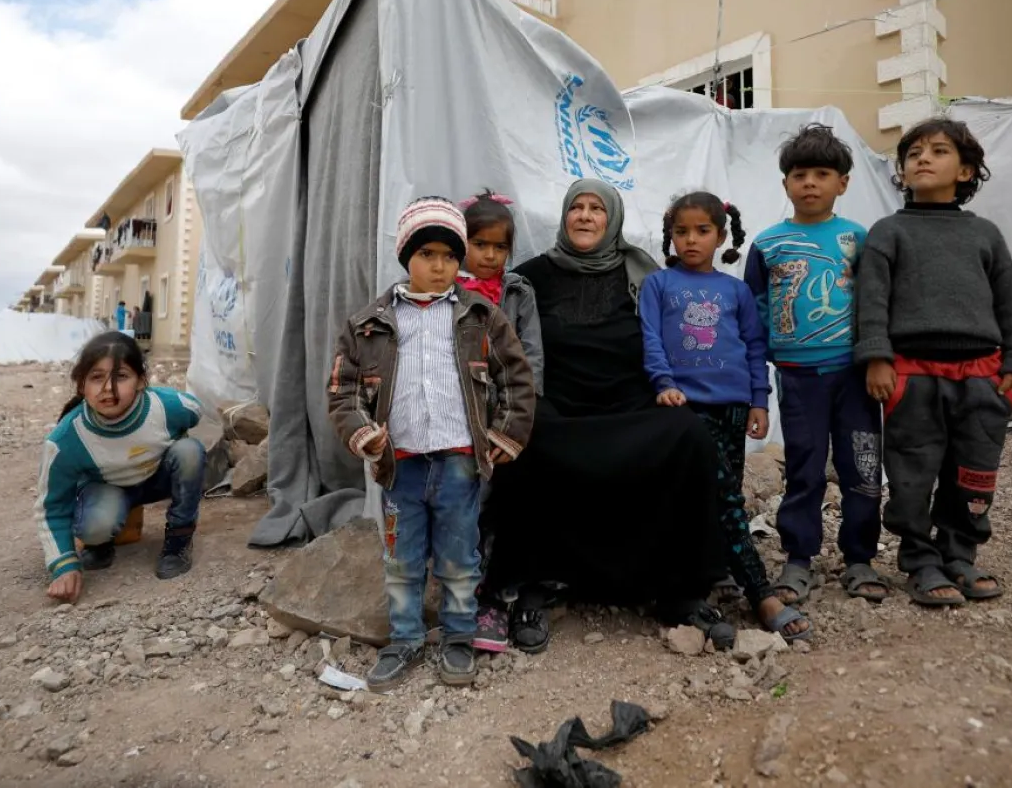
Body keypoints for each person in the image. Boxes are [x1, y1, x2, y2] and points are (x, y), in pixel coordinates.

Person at [486, 178, 761, 654]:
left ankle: (679, 590)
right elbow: (513, 349)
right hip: (559, 405)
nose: (586, 216)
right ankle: (533, 585)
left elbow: (668, 337)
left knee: (687, 435)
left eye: (597, 208)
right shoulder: (532, 277)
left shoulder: (643, 273)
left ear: (612, 218)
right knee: (524, 440)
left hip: (629, 403)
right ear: (565, 216)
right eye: (577, 207)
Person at [326, 197, 536, 690]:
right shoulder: (369, 323)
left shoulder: (482, 317)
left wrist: (505, 434)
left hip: (460, 458)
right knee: (402, 555)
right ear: (407, 259)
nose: (439, 266)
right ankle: (404, 638)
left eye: (448, 255)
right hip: (400, 463)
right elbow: (343, 389)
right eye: (427, 255)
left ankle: (459, 636)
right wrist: (363, 435)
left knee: (460, 555)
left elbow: (517, 380)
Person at [854, 118, 1012, 606]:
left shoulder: (985, 235)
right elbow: (871, 302)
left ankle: (960, 554)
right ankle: (919, 559)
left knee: (974, 472)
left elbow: (1009, 302)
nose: (922, 158)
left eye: (938, 151)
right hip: (911, 375)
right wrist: (877, 358)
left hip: (982, 376)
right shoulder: (887, 232)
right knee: (912, 474)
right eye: (913, 152)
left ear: (966, 171)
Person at [641, 192, 812, 640]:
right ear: (670, 236)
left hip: (735, 406)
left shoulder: (735, 290)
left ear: (721, 235)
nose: (691, 240)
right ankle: (761, 593)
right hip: (686, 408)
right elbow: (652, 339)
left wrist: (759, 399)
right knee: (724, 498)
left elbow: (755, 348)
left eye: (702, 231)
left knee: (726, 491)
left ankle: (716, 570)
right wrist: (665, 384)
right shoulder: (658, 285)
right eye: (681, 231)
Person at [745, 124, 887, 606]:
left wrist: (876, 357)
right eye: (799, 174)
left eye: (822, 173)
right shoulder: (767, 245)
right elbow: (755, 308)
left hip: (855, 374)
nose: (810, 183)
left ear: (842, 183)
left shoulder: (858, 238)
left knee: (861, 466)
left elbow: (874, 303)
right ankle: (798, 557)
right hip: (798, 376)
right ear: (785, 183)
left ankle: (861, 557)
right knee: (804, 466)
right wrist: (765, 367)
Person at [35, 331, 206, 605]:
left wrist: (174, 437)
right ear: (81, 385)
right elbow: (51, 506)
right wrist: (64, 565)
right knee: (95, 525)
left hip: (156, 478)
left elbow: (195, 410)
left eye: (122, 376)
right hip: (108, 488)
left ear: (141, 382)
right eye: (96, 377)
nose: (107, 388)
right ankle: (100, 543)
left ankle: (178, 541)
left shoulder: (165, 407)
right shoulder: (67, 440)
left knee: (189, 452)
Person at [455, 190, 545, 654]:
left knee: (495, 507)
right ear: (462, 243)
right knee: (461, 505)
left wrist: (518, 420)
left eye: (499, 247)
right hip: (453, 419)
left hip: (503, 422)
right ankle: (457, 598)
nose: (490, 255)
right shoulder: (445, 292)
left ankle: (494, 596)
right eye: (480, 244)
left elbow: (530, 361)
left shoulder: (517, 293)